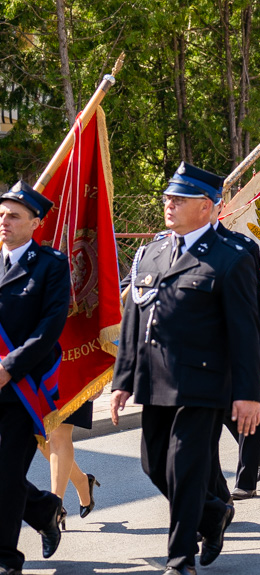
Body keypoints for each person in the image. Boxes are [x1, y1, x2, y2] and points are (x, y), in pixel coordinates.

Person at [111, 163, 260, 575]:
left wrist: (248, 395)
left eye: (179, 200)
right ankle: (213, 515)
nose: (169, 205)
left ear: (208, 207)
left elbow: (245, 333)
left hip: (203, 381)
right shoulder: (153, 251)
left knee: (186, 466)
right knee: (153, 464)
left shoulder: (231, 257)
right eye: (167, 199)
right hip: (154, 379)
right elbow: (134, 319)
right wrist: (122, 380)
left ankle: (180, 560)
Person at [0, 182, 68, 574]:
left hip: (23, 388)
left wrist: (9, 367)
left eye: (14, 215)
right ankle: (43, 509)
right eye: (2, 215)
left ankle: (6, 557)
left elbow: (49, 327)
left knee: (7, 475)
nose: (5, 222)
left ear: (35, 222)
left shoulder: (51, 265)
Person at [210, 202, 260, 501]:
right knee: (224, 410)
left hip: (244, 342)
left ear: (216, 206)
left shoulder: (241, 248)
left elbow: (256, 305)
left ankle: (246, 478)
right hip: (205, 351)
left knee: (252, 405)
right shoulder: (172, 245)